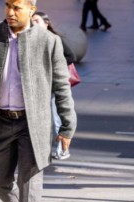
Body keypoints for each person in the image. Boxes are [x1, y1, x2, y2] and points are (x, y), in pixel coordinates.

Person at [0, 0, 77, 202]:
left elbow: (61, 86)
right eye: (7, 5)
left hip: (32, 124)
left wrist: (67, 125)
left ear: (31, 9)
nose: (10, 12)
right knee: (1, 181)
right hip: (1, 121)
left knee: (29, 183)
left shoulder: (48, 41)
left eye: (17, 7)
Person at [32, 11, 77, 160]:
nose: (33, 24)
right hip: (38, 87)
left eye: (37, 21)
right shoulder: (30, 40)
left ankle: (62, 150)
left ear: (46, 23)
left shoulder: (54, 40)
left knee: (57, 117)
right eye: (32, 21)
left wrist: (54, 67)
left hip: (52, 85)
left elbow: (71, 56)